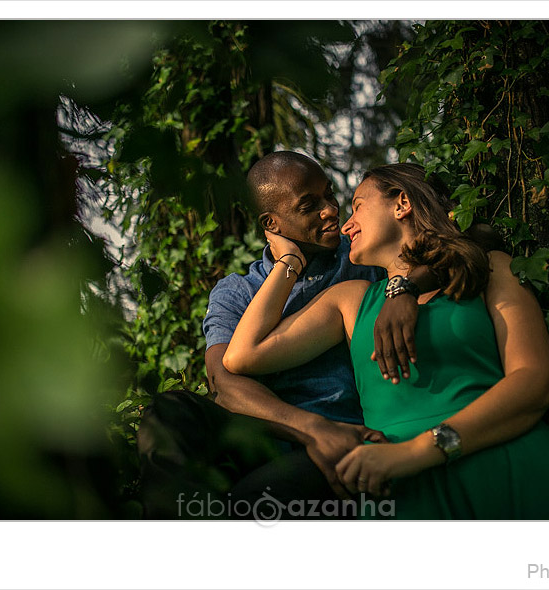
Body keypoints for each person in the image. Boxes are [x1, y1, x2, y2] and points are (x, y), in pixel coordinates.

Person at [223, 162, 549, 519]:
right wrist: (289, 262)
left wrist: (418, 451)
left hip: (507, 465)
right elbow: (242, 357)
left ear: (402, 203)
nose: (343, 222)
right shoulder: (351, 299)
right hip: (399, 488)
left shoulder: (490, 268)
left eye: (356, 205)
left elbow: (535, 383)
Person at [137, 152, 440, 518]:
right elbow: (224, 382)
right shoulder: (237, 291)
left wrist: (402, 287)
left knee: (248, 506)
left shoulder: (360, 255)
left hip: (352, 436)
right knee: (170, 412)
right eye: (310, 205)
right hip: (271, 438)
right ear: (273, 223)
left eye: (330, 195)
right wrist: (313, 429)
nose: (331, 210)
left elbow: (443, 247)